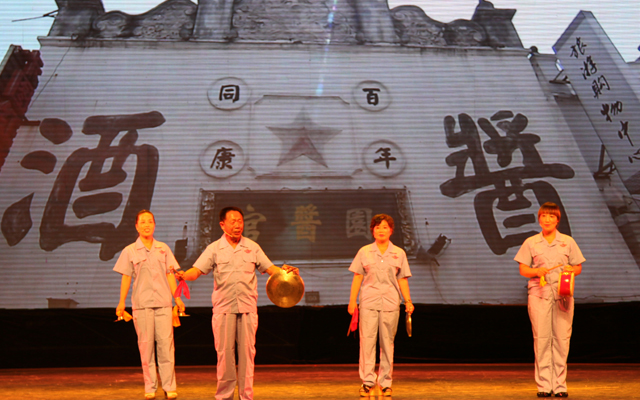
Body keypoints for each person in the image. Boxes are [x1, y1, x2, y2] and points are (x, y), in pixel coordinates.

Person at [177, 206, 298, 400]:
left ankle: (246, 396)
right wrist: (184, 275)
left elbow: (270, 269)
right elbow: (196, 271)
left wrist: (286, 273)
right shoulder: (214, 248)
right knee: (225, 355)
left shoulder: (252, 247)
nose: (237, 225)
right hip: (224, 308)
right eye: (233, 221)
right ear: (222, 225)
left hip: (247, 308)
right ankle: (224, 396)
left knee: (247, 355)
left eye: (240, 221)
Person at [515, 202, 585, 398]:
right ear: (539, 219)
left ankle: (560, 385)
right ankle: (544, 385)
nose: (547, 220)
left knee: (562, 339)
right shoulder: (531, 242)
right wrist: (536, 271)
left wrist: (571, 269)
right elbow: (523, 269)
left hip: (563, 295)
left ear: (557, 220)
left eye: (551, 216)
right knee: (542, 339)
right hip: (539, 294)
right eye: (544, 216)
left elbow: (578, 267)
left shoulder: (567, 242)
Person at [114, 210, 186, 400]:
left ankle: (169, 386)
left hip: (163, 304)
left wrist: (177, 298)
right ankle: (150, 386)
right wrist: (121, 302)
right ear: (136, 226)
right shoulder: (130, 251)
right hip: (142, 305)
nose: (147, 225)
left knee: (166, 346)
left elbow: (170, 274)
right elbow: (126, 277)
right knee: (146, 347)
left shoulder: (163, 248)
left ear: (154, 225)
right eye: (143, 222)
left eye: (150, 222)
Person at [347, 214, 414, 397]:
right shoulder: (364, 251)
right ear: (372, 231)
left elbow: (402, 279)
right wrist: (352, 301)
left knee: (387, 342)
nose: (381, 230)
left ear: (391, 230)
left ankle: (385, 382)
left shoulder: (399, 253)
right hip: (368, 302)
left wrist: (408, 301)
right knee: (367, 342)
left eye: (385, 227)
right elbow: (357, 277)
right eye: (377, 227)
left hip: (391, 302)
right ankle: (367, 381)